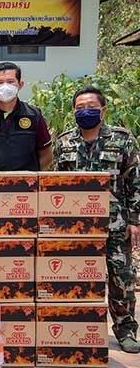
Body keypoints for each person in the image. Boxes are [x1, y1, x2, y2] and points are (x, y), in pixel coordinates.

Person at [53, 85, 140, 353]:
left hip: (115, 222)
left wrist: (135, 220)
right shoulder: (64, 142)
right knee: (77, 278)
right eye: (80, 108)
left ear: (102, 110)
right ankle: (79, 329)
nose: (85, 111)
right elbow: (57, 184)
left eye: (91, 107)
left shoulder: (123, 140)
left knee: (121, 277)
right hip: (76, 225)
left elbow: (135, 180)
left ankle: (125, 330)